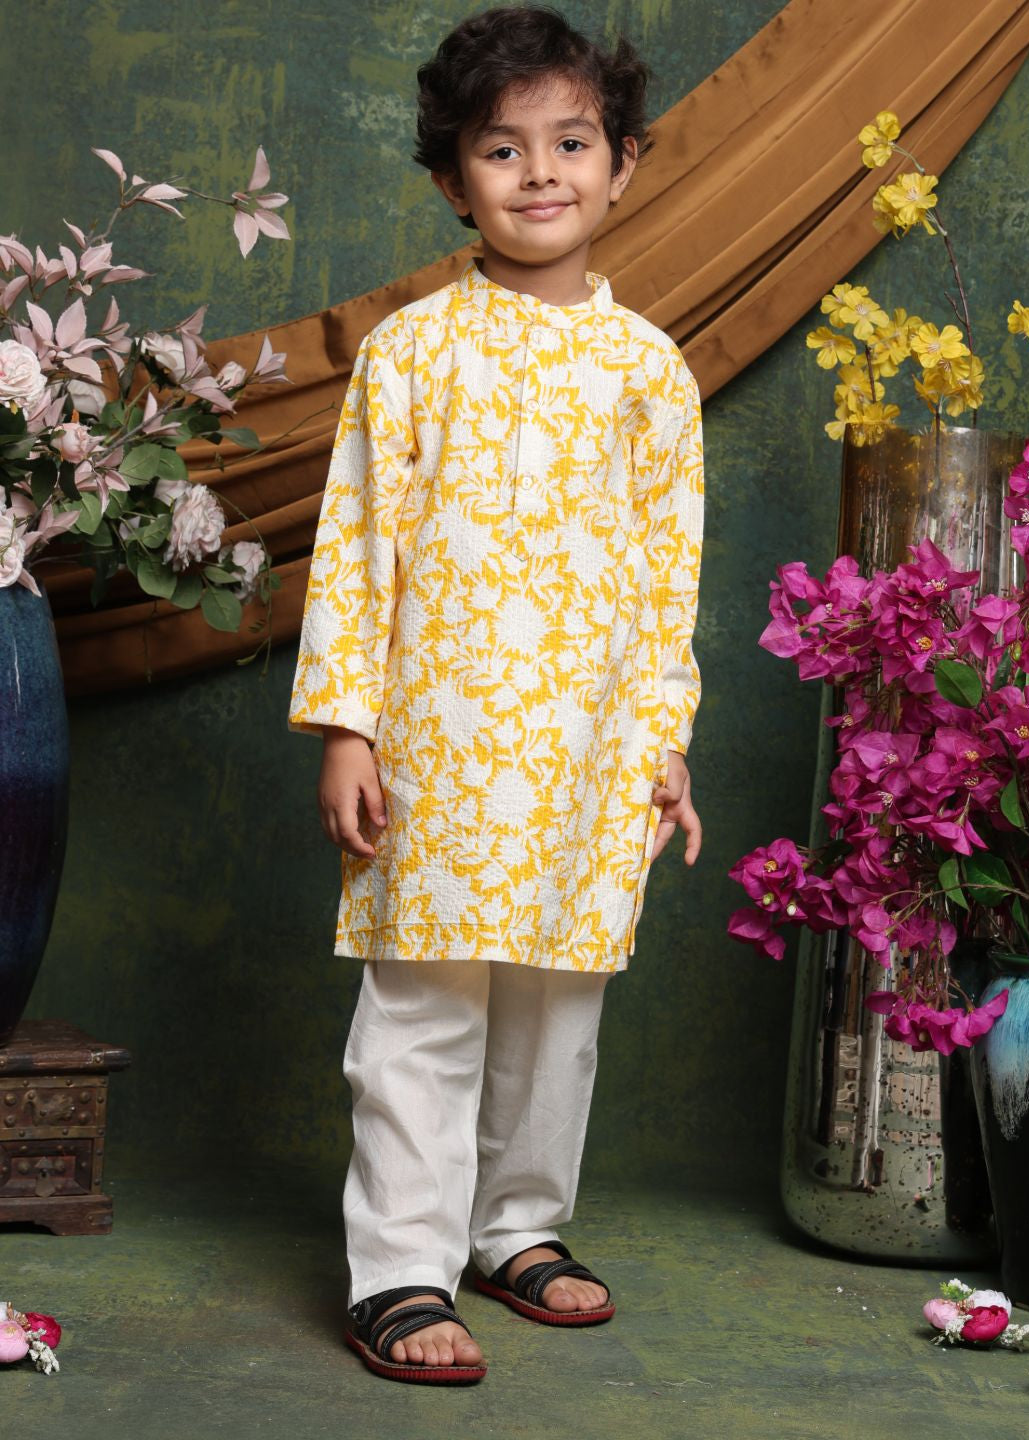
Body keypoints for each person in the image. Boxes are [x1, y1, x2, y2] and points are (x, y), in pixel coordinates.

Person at [289, 3, 704, 1386]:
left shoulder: (653, 374)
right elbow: (357, 547)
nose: (540, 173)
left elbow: (664, 582)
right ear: (453, 178)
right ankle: (400, 1265)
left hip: (587, 751)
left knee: (558, 1003)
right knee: (419, 1009)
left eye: (569, 142)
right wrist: (348, 724)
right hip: (435, 746)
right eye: (501, 148)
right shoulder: (415, 353)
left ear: (623, 162)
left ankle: (517, 1228)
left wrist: (664, 748)